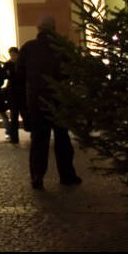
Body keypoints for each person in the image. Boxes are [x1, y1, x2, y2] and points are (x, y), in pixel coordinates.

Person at [17, 16, 82, 189]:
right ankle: (67, 174)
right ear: (54, 28)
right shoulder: (61, 48)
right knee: (62, 138)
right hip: (59, 99)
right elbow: (72, 72)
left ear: (38, 28)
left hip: (36, 100)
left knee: (39, 139)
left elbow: (19, 76)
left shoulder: (28, 48)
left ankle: (37, 176)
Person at [2, 46, 25, 144]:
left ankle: (32, 132)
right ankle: (14, 137)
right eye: (11, 55)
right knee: (14, 116)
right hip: (12, 93)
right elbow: (3, 76)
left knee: (25, 114)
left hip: (22, 92)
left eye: (14, 55)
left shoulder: (22, 64)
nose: (12, 57)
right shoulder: (7, 64)